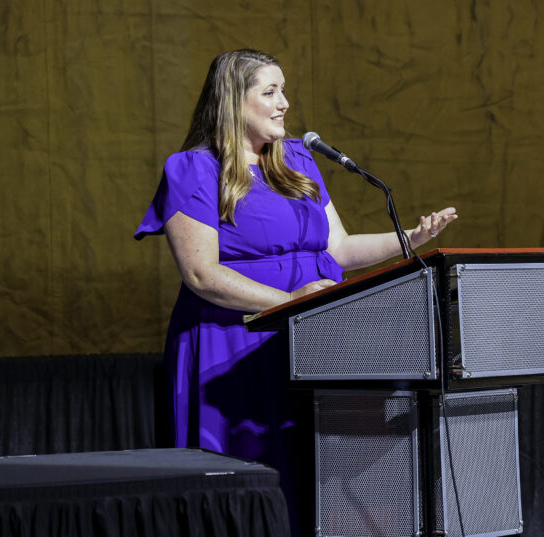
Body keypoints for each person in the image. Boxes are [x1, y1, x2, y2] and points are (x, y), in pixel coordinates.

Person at [134, 49, 457, 535]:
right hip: (233, 343)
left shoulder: (297, 159)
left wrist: (411, 238)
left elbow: (339, 249)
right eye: (270, 92)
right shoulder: (193, 169)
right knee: (246, 482)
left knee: (311, 478)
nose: (284, 103)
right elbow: (201, 274)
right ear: (233, 101)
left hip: (311, 343)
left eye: (283, 90)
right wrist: (292, 304)